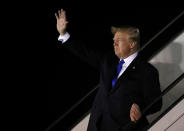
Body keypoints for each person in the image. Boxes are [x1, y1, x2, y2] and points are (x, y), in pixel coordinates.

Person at [55, 9, 162, 131]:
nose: (114, 44)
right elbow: (84, 52)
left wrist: (140, 108)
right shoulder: (108, 61)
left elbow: (156, 103)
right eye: (113, 41)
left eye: (119, 40)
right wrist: (64, 34)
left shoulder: (146, 71)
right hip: (95, 127)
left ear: (132, 44)